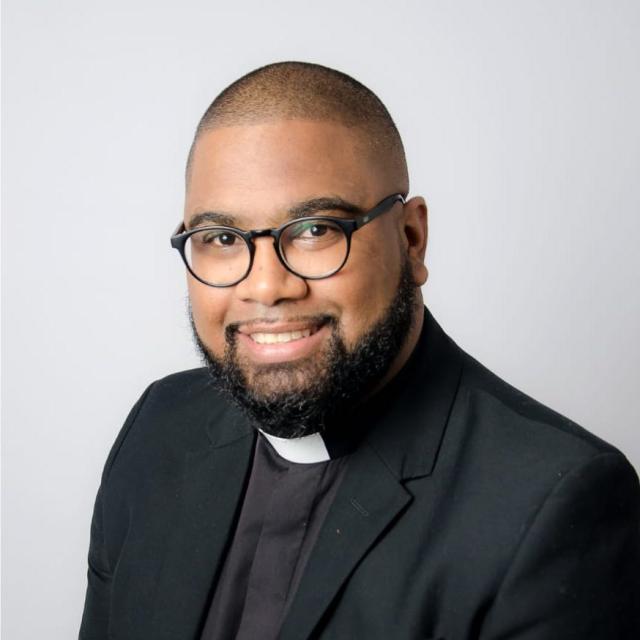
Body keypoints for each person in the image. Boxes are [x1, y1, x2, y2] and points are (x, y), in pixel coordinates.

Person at [79, 61, 640, 640]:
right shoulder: (159, 428)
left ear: (411, 239)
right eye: (222, 239)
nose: (267, 286)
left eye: (317, 229)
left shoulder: (554, 504)